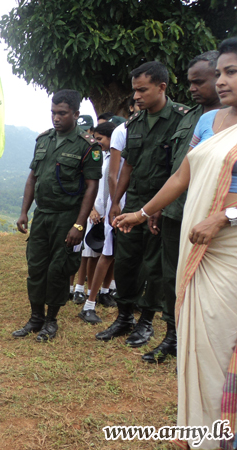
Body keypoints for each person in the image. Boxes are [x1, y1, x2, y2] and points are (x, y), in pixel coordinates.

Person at [115, 37, 237, 449]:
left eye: (231, 72)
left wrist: (226, 216)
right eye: (219, 72)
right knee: (196, 345)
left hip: (229, 252)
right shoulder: (208, 123)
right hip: (195, 246)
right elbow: (181, 177)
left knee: (222, 344)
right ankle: (199, 431)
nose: (221, 81)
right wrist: (142, 212)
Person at [96, 61, 189, 346]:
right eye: (134, 90)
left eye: (141, 90)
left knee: (154, 266)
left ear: (161, 87)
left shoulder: (182, 119)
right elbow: (128, 166)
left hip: (163, 205)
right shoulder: (133, 123)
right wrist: (115, 203)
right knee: (126, 261)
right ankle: (124, 317)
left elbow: (180, 170)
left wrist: (159, 207)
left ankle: (146, 322)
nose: (135, 96)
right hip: (133, 201)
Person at [142, 51, 221, 364]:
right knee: (172, 278)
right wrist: (159, 207)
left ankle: (204, 345)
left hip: (213, 216)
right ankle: (173, 338)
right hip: (177, 213)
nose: (192, 88)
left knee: (209, 283)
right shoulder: (191, 118)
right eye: (190, 83)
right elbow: (175, 169)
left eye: (199, 82)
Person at [14, 89, 102, 342]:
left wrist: (79, 224)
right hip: (42, 215)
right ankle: (35, 318)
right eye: (53, 113)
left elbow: (91, 186)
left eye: (62, 113)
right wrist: (24, 212)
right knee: (36, 266)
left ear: (75, 114)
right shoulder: (43, 140)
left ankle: (51, 321)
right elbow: (33, 177)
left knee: (58, 269)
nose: (56, 118)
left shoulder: (87, 146)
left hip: (67, 216)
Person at [77, 121, 118, 324]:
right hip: (98, 212)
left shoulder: (118, 156)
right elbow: (91, 184)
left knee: (110, 255)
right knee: (94, 254)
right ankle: (88, 298)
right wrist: (93, 209)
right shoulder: (98, 156)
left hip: (113, 213)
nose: (97, 142)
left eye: (100, 139)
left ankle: (104, 291)